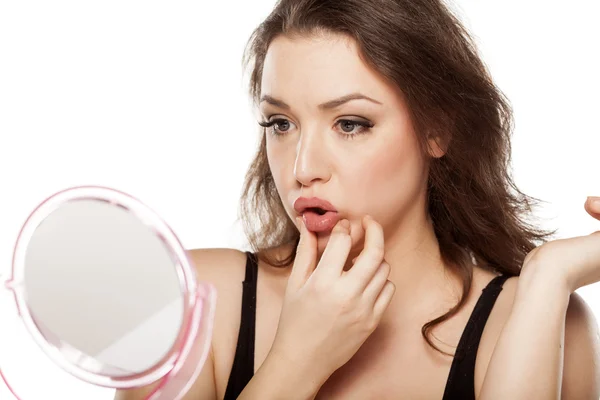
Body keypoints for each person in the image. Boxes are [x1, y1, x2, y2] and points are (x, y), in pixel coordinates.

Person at [116, 0, 600, 398]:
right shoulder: (192, 302)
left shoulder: (542, 318)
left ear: (437, 130)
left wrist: (546, 277)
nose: (303, 168)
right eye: (280, 124)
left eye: (350, 124)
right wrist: (296, 361)